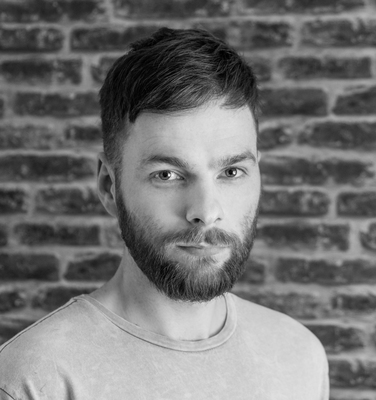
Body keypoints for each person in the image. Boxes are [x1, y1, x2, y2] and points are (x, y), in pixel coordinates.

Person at [0, 27, 329, 399]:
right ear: (109, 186)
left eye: (231, 172)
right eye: (167, 175)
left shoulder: (299, 355)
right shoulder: (34, 379)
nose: (206, 212)